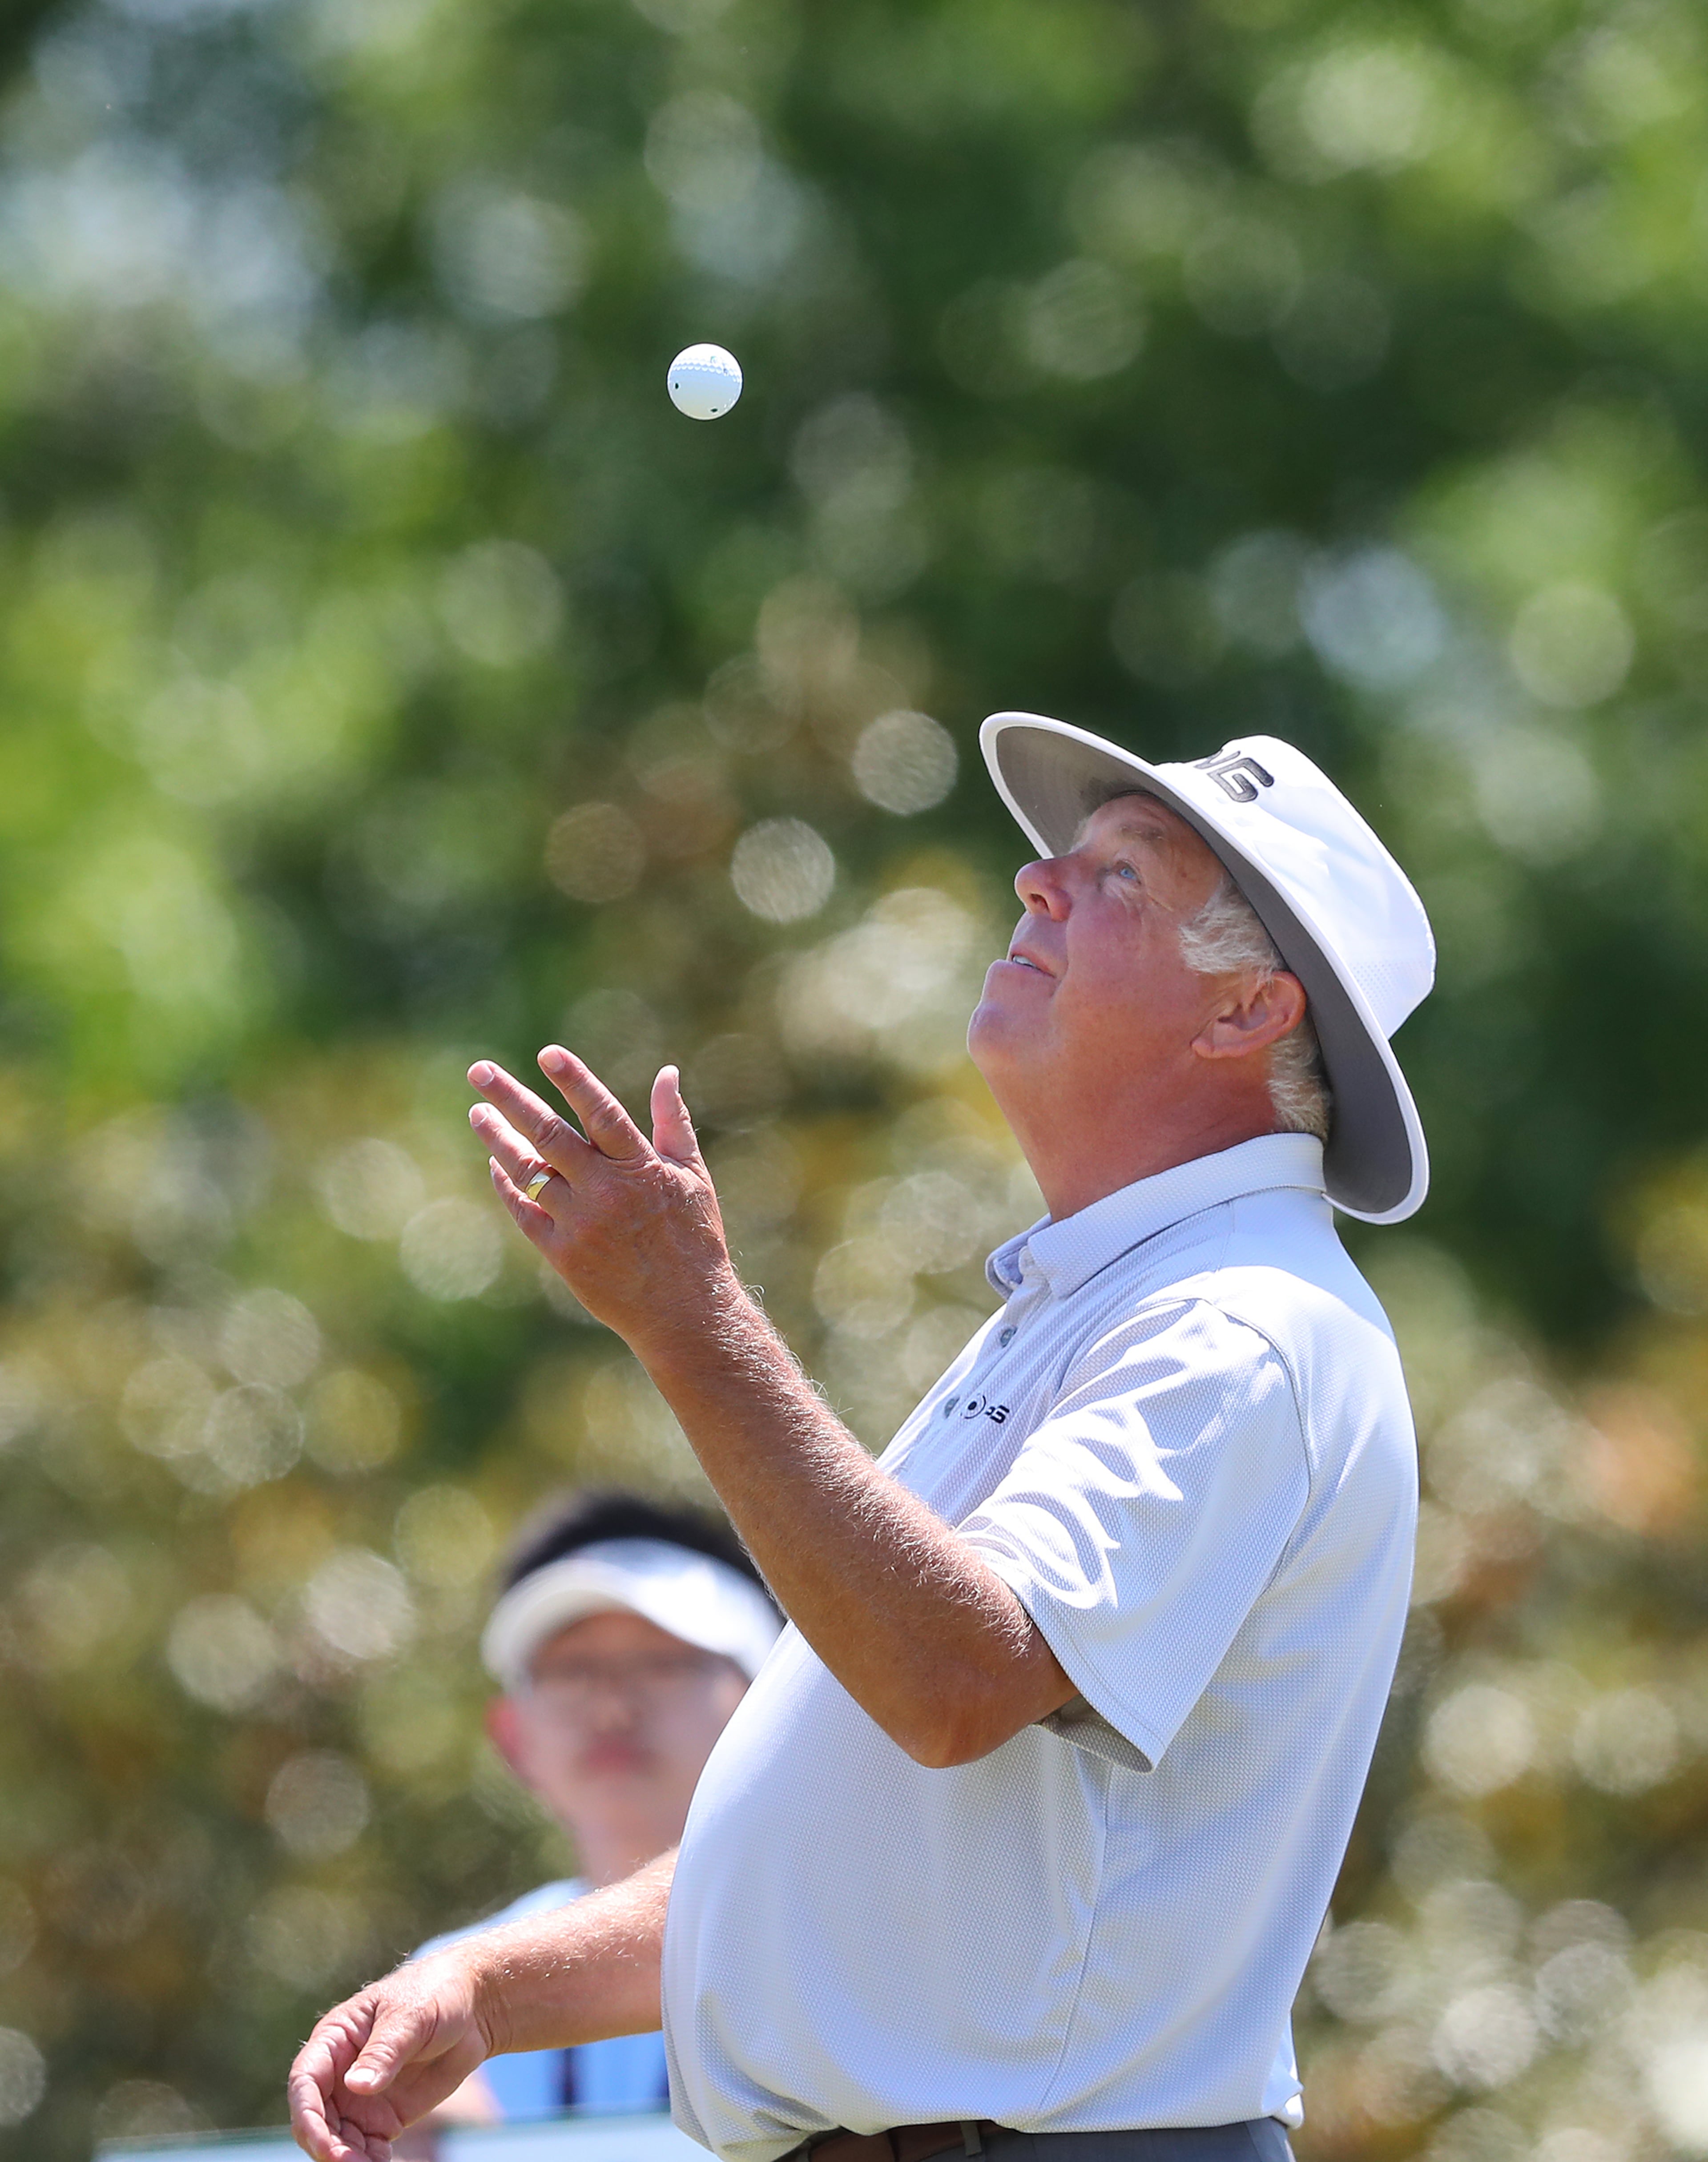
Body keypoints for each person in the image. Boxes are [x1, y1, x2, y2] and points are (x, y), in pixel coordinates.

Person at [290, 716, 1435, 2162]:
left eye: (1123, 878)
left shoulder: (1236, 1322)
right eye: (1062, 863)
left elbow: (952, 1682)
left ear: (1246, 1015)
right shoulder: (1112, 1303)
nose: (1036, 886)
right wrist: (487, 1986)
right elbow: (843, 1860)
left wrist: (691, 1318)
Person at [395, 1491, 779, 2154]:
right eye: (571, 1670)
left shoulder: (857, 1936)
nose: (610, 1709)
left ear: (773, 1703)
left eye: (664, 1664)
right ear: (511, 1739)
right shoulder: (443, 1981)